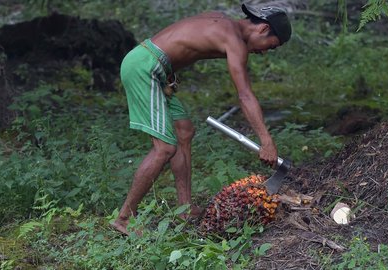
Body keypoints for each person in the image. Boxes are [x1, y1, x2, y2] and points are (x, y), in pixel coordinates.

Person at [111, 3, 292, 236]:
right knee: (164, 148)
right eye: (271, 46)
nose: (265, 51)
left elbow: (184, 34)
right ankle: (124, 218)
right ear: (263, 29)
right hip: (145, 67)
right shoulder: (234, 40)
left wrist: (169, 69)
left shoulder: (220, 20)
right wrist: (266, 140)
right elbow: (245, 94)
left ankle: (184, 208)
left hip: (157, 68)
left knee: (184, 131)